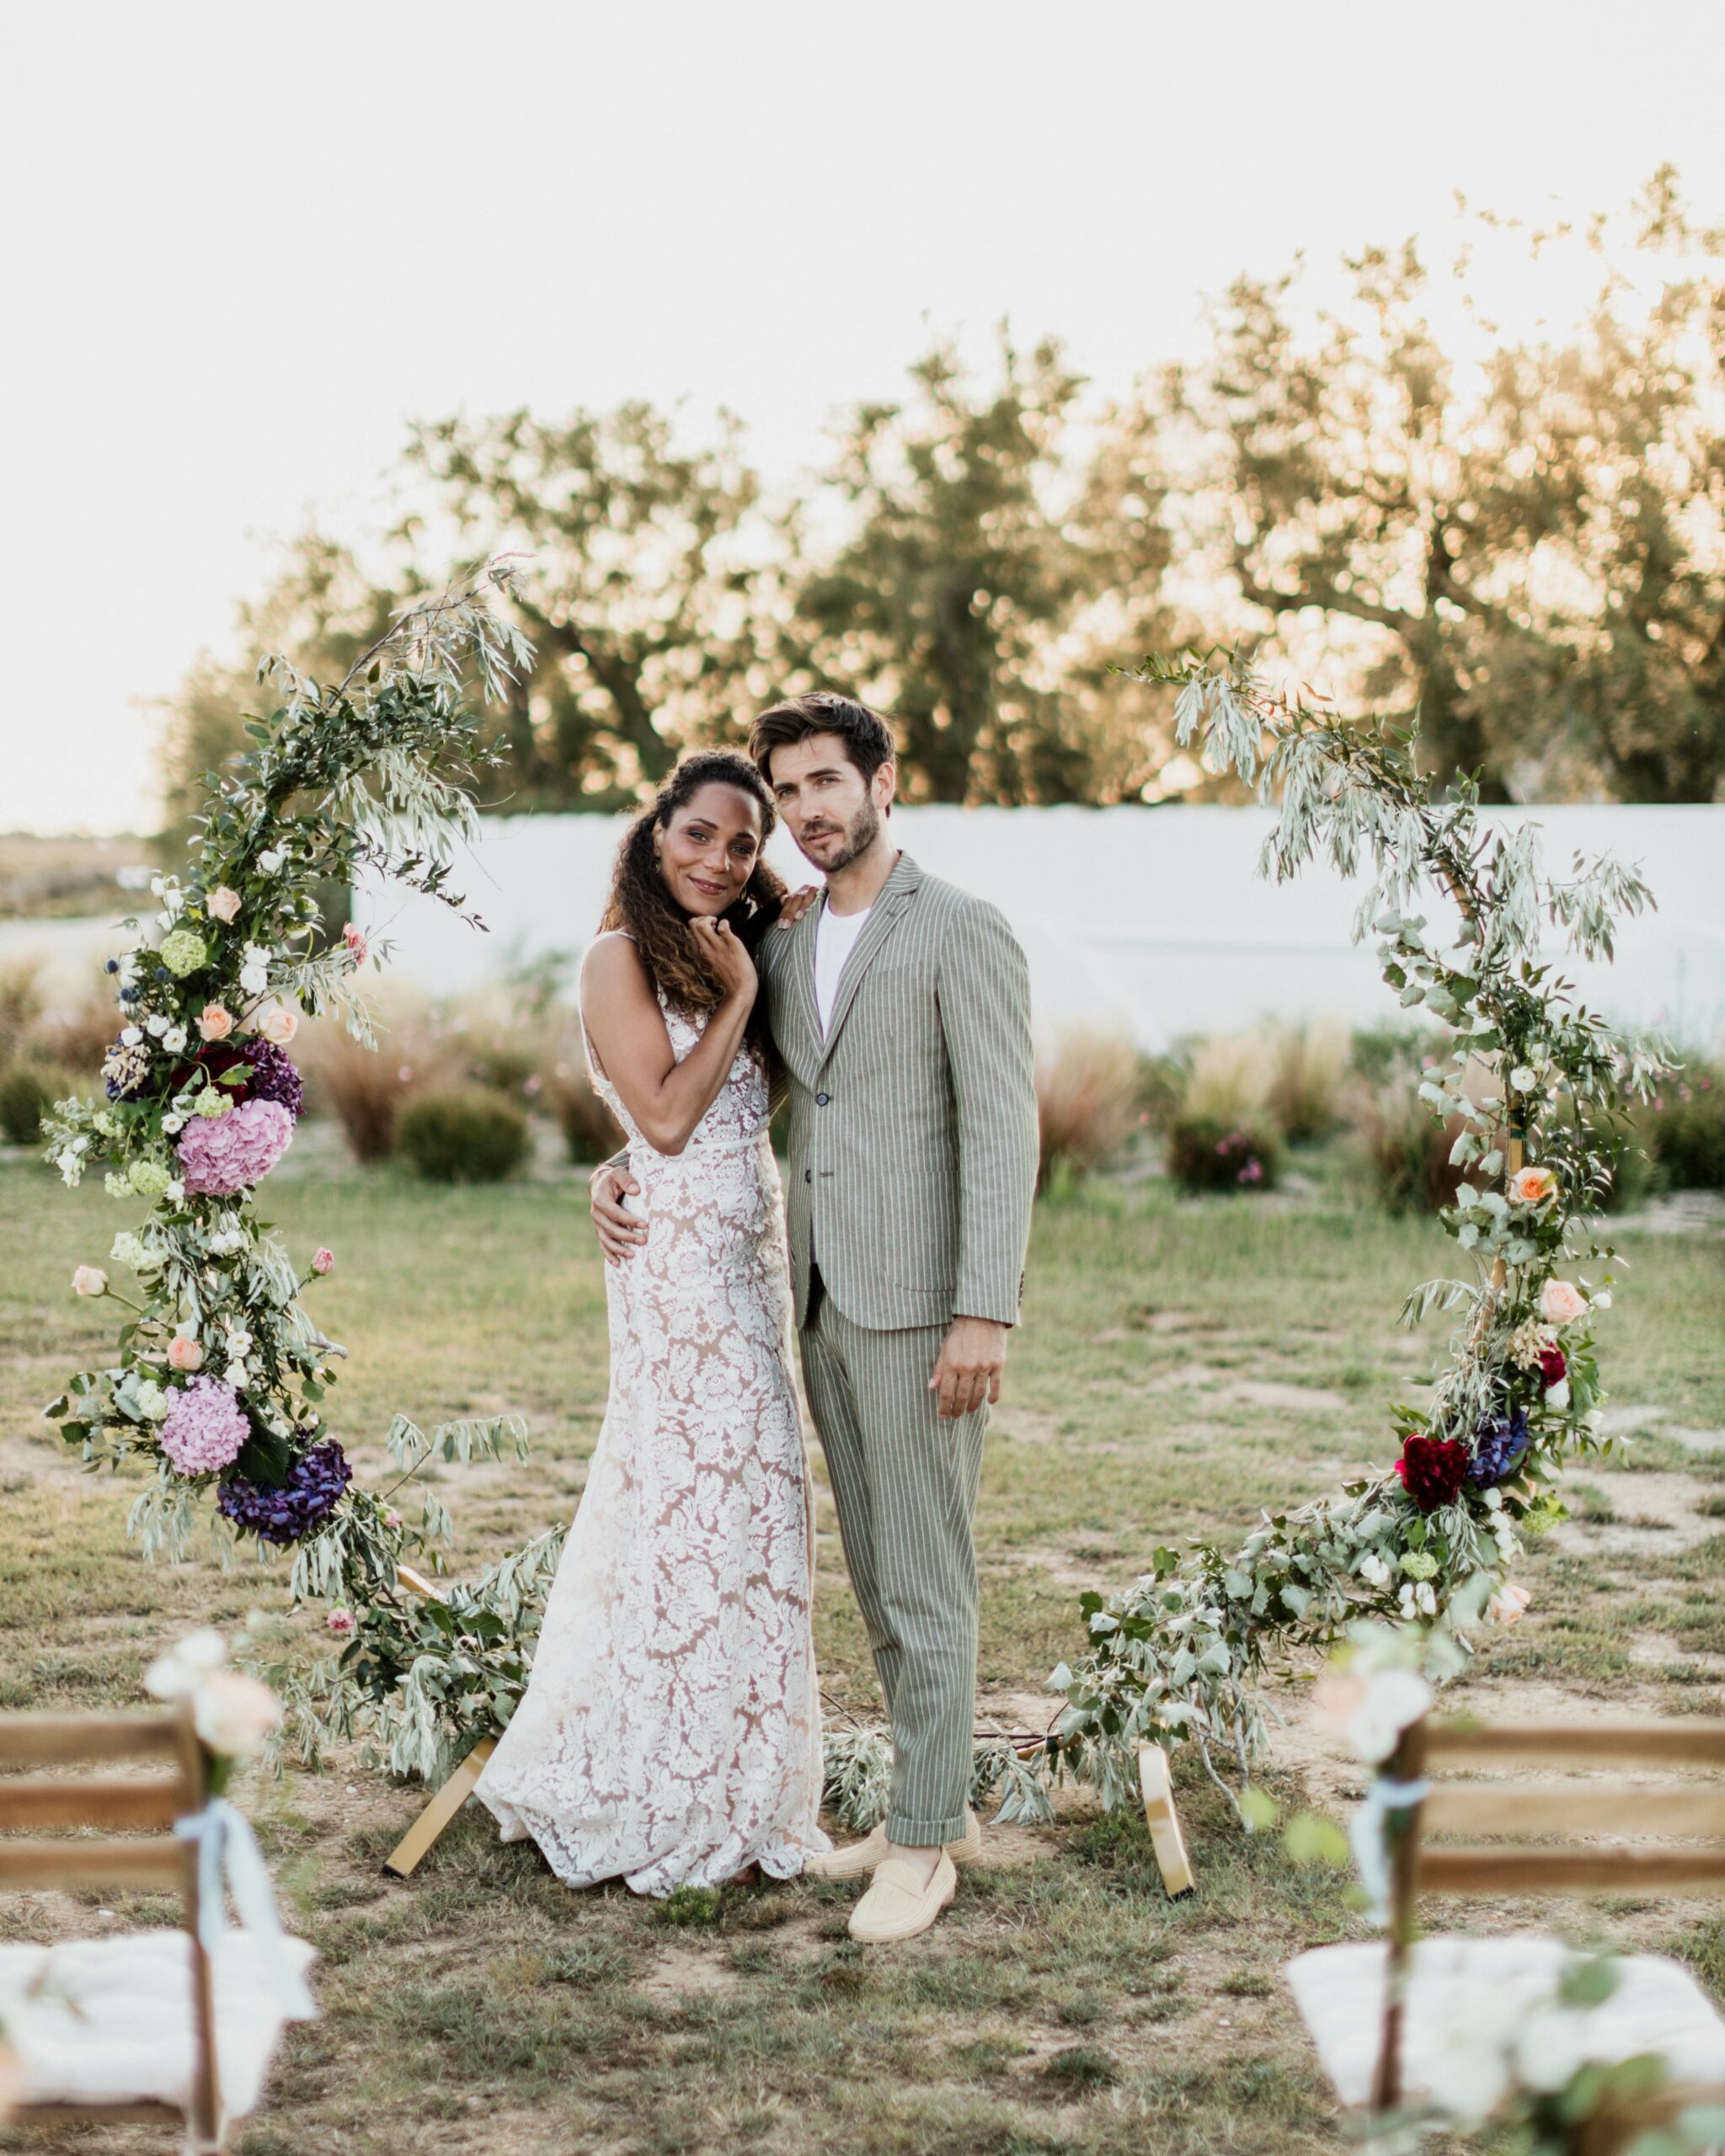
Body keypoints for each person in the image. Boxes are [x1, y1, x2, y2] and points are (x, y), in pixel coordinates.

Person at [592, 692, 1039, 1942]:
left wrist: (982, 1313)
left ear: (885, 782)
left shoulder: (962, 930)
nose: (808, 812)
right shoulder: (779, 944)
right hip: (815, 1304)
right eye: (789, 793)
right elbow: (705, 1089)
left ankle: (922, 1851)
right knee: (878, 1579)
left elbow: (1005, 1133)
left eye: (829, 783)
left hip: (925, 1311)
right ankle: (926, 1810)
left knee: (927, 1576)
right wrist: (613, 1167)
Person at [475, 750, 831, 1897]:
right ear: (654, 831)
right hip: (676, 1273)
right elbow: (671, 1118)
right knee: (685, 1499)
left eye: (742, 844)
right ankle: (662, 1772)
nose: (721, 862)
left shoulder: (732, 941)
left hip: (751, 1251)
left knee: (757, 1499)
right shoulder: (616, 957)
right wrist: (738, 1000)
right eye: (700, 836)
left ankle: (745, 1770)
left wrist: (759, 970)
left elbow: (736, 1103)